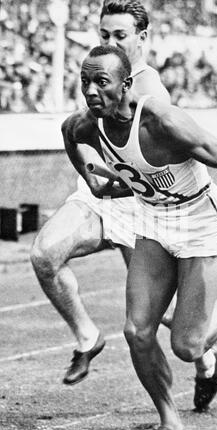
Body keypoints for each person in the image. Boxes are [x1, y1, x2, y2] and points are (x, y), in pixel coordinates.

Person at [61, 45, 217, 430]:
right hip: (152, 219)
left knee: (188, 346)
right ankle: (170, 424)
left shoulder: (161, 122)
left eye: (102, 81)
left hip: (199, 221)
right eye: (85, 82)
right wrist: (94, 181)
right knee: (136, 331)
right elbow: (68, 134)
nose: (91, 91)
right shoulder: (88, 125)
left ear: (126, 85)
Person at [30, 0, 171, 387]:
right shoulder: (102, 72)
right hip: (101, 196)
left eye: (120, 36)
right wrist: (89, 177)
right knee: (45, 254)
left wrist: (131, 184)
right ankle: (88, 338)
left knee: (170, 317)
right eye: (104, 35)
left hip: (141, 206)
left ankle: (215, 342)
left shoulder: (150, 92)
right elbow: (71, 128)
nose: (110, 42)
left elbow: (166, 167)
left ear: (142, 38)